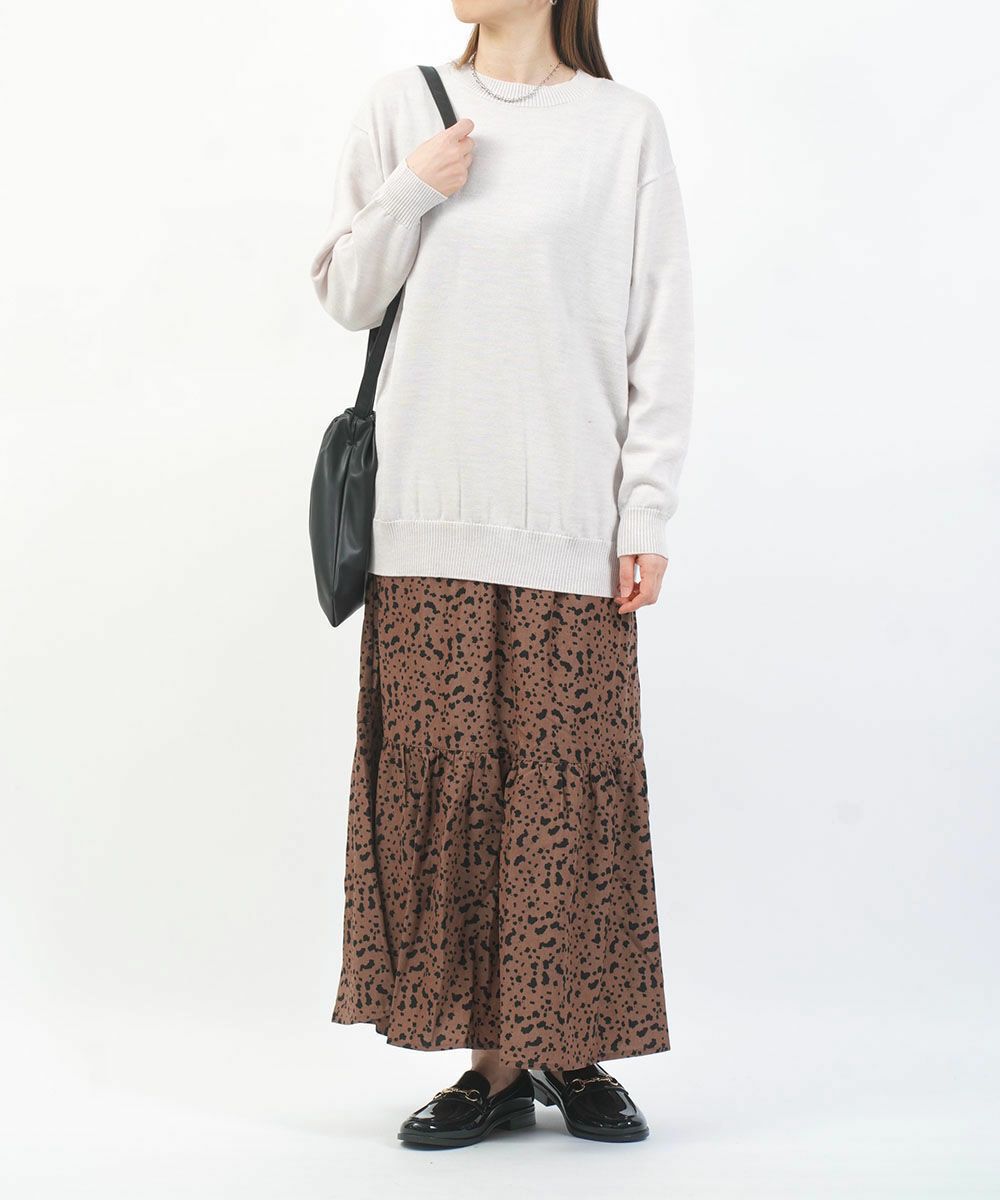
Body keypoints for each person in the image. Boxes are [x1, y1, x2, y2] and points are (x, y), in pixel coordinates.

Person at [309, 0, 694, 1148]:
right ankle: (490, 1064)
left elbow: (659, 333)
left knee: (566, 793)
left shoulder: (623, 127)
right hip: (426, 525)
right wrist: (411, 189)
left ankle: (568, 1050)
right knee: (457, 794)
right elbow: (344, 294)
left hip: (571, 528)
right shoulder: (402, 108)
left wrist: (645, 510)